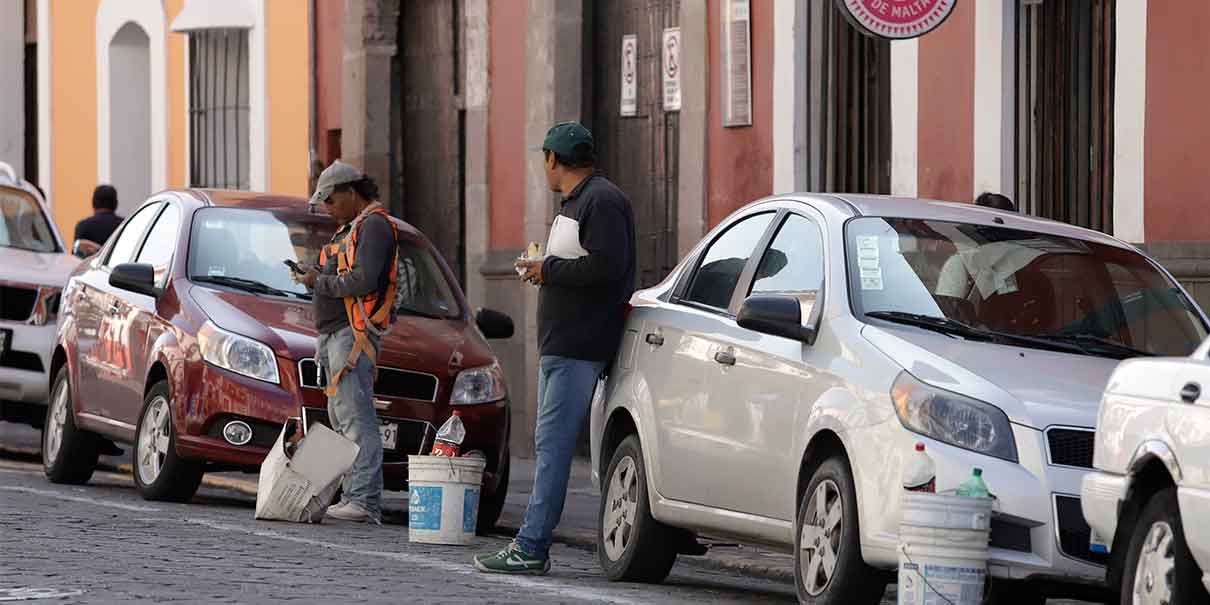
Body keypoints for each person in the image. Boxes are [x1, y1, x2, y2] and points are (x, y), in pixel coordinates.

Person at [473, 122, 636, 575]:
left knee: (553, 447)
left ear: (552, 159)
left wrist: (550, 269)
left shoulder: (601, 201)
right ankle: (531, 541)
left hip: (578, 346)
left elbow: (608, 265)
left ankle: (532, 544)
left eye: (542, 159)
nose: (541, 167)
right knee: (549, 444)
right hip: (563, 344)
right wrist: (545, 267)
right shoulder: (579, 202)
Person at [296, 160, 399, 524]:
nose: (327, 207)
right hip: (335, 335)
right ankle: (353, 496)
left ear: (351, 192)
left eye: (330, 199)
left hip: (351, 337)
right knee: (344, 419)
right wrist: (316, 275)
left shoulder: (373, 226)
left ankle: (364, 500)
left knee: (357, 419)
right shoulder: (353, 227)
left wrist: (317, 282)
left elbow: (364, 280)